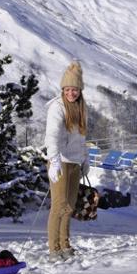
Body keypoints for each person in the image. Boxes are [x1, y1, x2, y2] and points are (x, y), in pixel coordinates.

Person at [45, 61, 90, 262]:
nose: (72, 93)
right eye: (68, 89)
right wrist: (53, 161)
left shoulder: (81, 108)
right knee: (59, 206)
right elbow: (52, 136)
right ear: (63, 89)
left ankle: (65, 244)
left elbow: (81, 137)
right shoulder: (57, 107)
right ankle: (54, 248)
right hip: (60, 161)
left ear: (80, 90)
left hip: (74, 162)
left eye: (75, 90)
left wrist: (84, 160)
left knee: (70, 207)